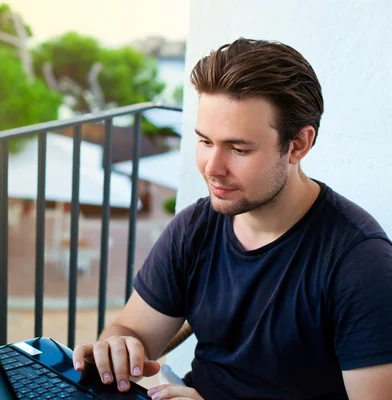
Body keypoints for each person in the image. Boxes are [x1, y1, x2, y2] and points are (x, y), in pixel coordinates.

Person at [72, 38, 392, 399]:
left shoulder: (361, 264)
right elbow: (132, 330)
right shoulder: (196, 227)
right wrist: (115, 347)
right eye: (205, 142)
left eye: (239, 149)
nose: (212, 168)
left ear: (299, 145)